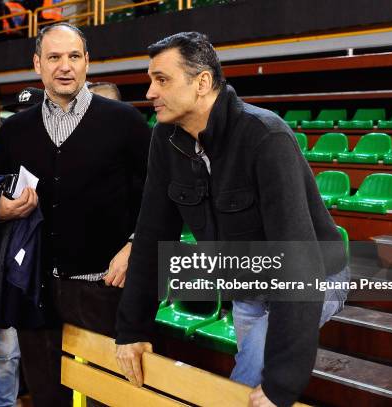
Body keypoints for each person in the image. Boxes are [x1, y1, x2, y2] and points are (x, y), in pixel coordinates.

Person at [114, 32, 350, 407]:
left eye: (161, 80)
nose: (149, 93)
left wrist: (282, 385)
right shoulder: (165, 138)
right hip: (246, 286)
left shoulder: (266, 137)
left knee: (248, 385)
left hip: (313, 274)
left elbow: (299, 259)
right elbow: (151, 236)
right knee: (246, 390)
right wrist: (131, 330)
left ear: (202, 82)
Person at [0, 22, 151, 407]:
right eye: (54, 57)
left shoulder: (124, 121)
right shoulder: (15, 130)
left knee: (106, 397)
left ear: (87, 62)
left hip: (102, 286)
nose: (65, 66)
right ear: (37, 64)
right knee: (46, 394)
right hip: (35, 286)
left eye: (74, 56)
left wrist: (134, 246)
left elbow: (158, 196)